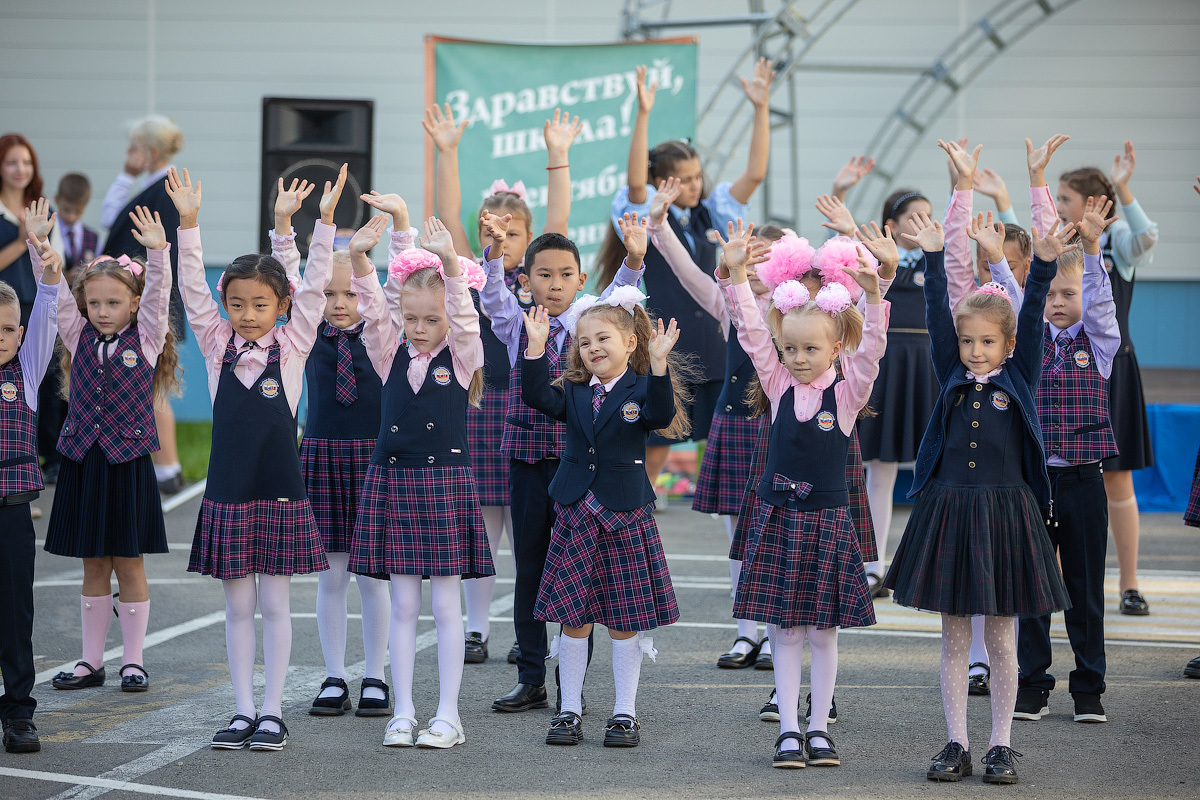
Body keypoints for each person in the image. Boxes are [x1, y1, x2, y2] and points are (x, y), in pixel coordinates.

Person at [884, 209, 1073, 785]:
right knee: (954, 636)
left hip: (1007, 513)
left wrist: (1039, 264)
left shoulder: (1020, 374)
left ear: (1009, 344)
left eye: (987, 342)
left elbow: (1035, 314)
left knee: (1002, 637)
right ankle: (956, 741)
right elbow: (942, 320)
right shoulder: (950, 371)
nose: (973, 350)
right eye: (968, 341)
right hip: (950, 510)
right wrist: (937, 256)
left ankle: (1000, 744)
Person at [172, 166, 339, 751]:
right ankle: (242, 710)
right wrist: (188, 226)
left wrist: (312, 226)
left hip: (281, 492)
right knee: (237, 606)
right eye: (237, 304)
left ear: (281, 305)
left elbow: (315, 286)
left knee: (274, 604)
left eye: (260, 304)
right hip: (228, 493)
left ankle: (273, 712)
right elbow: (192, 292)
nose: (247, 313)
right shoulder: (216, 344)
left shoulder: (293, 345)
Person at [724, 218, 889, 769]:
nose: (798, 357)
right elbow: (751, 331)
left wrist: (875, 295)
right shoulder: (775, 384)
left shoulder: (845, 395)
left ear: (836, 346)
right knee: (784, 630)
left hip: (824, 522)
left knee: (823, 633)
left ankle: (820, 727)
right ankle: (789, 729)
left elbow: (872, 354)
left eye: (810, 349)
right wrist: (734, 277)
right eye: (789, 348)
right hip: (777, 520)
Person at [420, 102, 581, 665]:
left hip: (542, 404)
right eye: (494, 229)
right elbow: (446, 214)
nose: (504, 237)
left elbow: (557, 223)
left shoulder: (543, 273)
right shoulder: (471, 267)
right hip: (483, 401)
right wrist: (447, 151)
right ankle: (476, 629)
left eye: (515, 232)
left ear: (531, 236)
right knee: (482, 521)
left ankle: (536, 633)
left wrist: (556, 156)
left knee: (533, 530)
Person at [519, 254, 687, 748]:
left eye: (603, 339)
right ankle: (568, 709)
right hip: (575, 510)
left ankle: (624, 713)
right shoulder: (572, 390)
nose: (593, 347)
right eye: (585, 341)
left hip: (625, 511)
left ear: (630, 342)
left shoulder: (640, 388)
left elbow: (659, 414)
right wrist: (532, 350)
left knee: (624, 618)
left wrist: (657, 366)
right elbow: (535, 399)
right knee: (574, 617)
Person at [483, 211, 646, 714]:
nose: (555, 285)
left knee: (583, 571)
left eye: (565, 275)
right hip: (529, 461)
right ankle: (531, 675)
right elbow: (492, 299)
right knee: (530, 566)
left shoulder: (588, 322)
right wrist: (492, 257)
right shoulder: (517, 321)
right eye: (544, 275)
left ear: (580, 280)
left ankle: (569, 689)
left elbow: (621, 293)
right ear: (525, 279)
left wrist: (635, 258)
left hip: (582, 468)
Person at [347, 216, 494, 750]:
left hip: (443, 487)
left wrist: (452, 265)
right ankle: (403, 711)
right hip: (394, 483)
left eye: (430, 319)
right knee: (404, 606)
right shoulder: (388, 352)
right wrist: (364, 260)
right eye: (411, 318)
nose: (418, 327)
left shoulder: (461, 356)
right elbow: (374, 313)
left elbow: (464, 317)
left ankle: (449, 716)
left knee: (445, 607)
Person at [30, 199, 179, 695]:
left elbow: (160, 295)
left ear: (133, 304)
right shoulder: (78, 335)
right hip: (84, 461)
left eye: (113, 303)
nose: (101, 311)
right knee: (93, 562)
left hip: (128, 462)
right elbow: (53, 290)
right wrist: (40, 244)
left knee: (129, 562)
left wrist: (158, 254)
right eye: (94, 303)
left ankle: (132, 661)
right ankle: (91, 660)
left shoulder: (148, 336)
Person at [607, 59, 774, 493]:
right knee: (659, 441)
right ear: (662, 181)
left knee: (729, 437)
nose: (694, 185)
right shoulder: (647, 213)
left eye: (697, 176)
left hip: (714, 340)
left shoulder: (713, 211)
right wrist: (644, 113)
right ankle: (633, 508)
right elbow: (636, 187)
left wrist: (760, 107)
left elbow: (755, 174)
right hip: (666, 335)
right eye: (683, 180)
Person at [261, 178, 394, 719]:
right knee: (332, 573)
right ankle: (335, 674)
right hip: (320, 455)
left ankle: (375, 676)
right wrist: (286, 225)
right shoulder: (307, 332)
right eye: (331, 294)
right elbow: (297, 275)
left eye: (352, 293)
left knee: (374, 575)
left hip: (372, 459)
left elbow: (381, 300)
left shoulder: (383, 334)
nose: (340, 303)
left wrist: (364, 258)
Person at [1006, 195, 1119, 726]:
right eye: (1050, 293)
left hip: (1081, 480)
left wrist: (1091, 249)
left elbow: (1099, 302)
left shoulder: (1098, 343)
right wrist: (1001, 262)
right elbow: (1016, 294)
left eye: (1067, 294)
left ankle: (1089, 687)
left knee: (1083, 585)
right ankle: (1032, 683)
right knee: (1031, 584)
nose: (1057, 302)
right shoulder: (1026, 343)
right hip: (1033, 480)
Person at [1057, 142, 1159, 616]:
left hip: (1111, 368)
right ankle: (1054, 585)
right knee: (1057, 479)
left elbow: (1148, 236)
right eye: (1055, 199)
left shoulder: (1118, 247)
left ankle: (1129, 584)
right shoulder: (1058, 246)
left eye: (1066, 199)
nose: (1059, 207)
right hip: (1062, 371)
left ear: (1093, 204)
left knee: (1117, 479)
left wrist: (1123, 187)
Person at [100, 115, 187, 495]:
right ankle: (167, 467)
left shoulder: (163, 189)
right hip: (143, 299)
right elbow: (109, 218)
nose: (129, 154)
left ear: (151, 151)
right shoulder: (156, 185)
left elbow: (158, 251)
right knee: (149, 385)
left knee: (149, 385)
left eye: (134, 147)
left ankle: (166, 467)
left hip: (146, 301)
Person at [0, 236, 62, 754]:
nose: (0, 337)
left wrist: (47, 269)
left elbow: (48, 312)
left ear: (20, 334)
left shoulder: (27, 371)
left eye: (6, 329)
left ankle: (19, 712)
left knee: (16, 616)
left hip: (11, 515)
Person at [39, 172, 97, 486]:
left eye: (77, 210)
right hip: (52, 314)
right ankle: (48, 454)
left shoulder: (92, 238)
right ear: (58, 201)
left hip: (77, 319)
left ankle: (66, 452)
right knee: (48, 385)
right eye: (67, 209)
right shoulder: (51, 232)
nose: (71, 215)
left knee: (68, 385)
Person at [0, 134, 63, 325]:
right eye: (11, 163)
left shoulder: (45, 212)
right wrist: (21, 243)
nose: (20, 169)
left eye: (27, 162)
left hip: (38, 311)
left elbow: (57, 264)